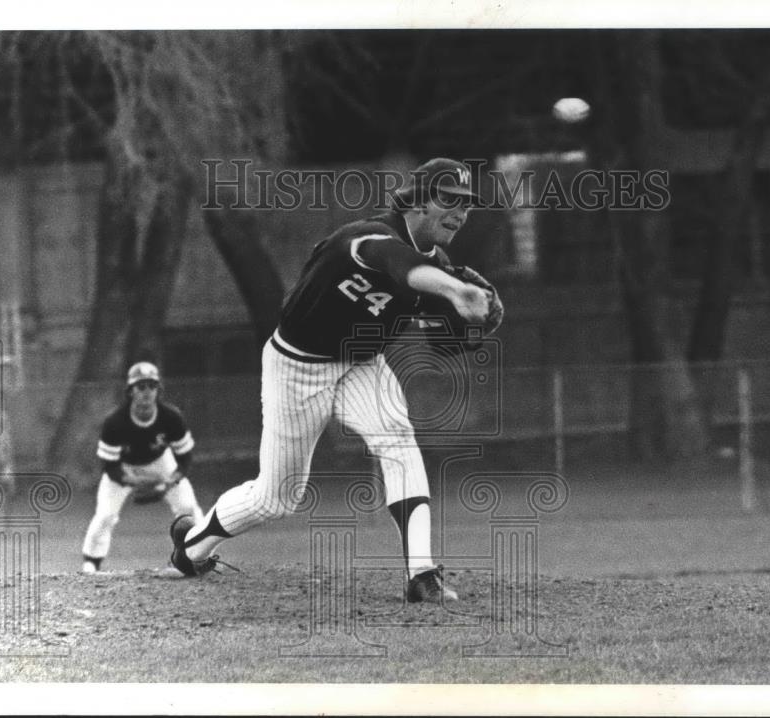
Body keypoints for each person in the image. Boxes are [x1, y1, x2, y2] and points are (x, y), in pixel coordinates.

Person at [170, 158, 494, 603]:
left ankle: (422, 575)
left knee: (399, 441)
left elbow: (435, 331)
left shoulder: (437, 265)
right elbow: (396, 265)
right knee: (277, 498)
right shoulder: (369, 237)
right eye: (449, 200)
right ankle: (191, 547)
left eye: (467, 204)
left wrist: (460, 324)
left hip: (361, 363)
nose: (460, 212)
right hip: (298, 366)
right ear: (417, 201)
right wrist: (457, 292)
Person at [81, 361, 205, 574]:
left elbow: (184, 458)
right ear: (130, 391)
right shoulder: (115, 422)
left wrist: (170, 481)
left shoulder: (171, 417)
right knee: (105, 515)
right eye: (141, 386)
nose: (147, 392)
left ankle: (199, 555)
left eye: (152, 386)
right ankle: (91, 562)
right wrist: (131, 481)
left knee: (187, 507)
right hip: (125, 467)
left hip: (161, 462)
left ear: (158, 390)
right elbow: (109, 466)